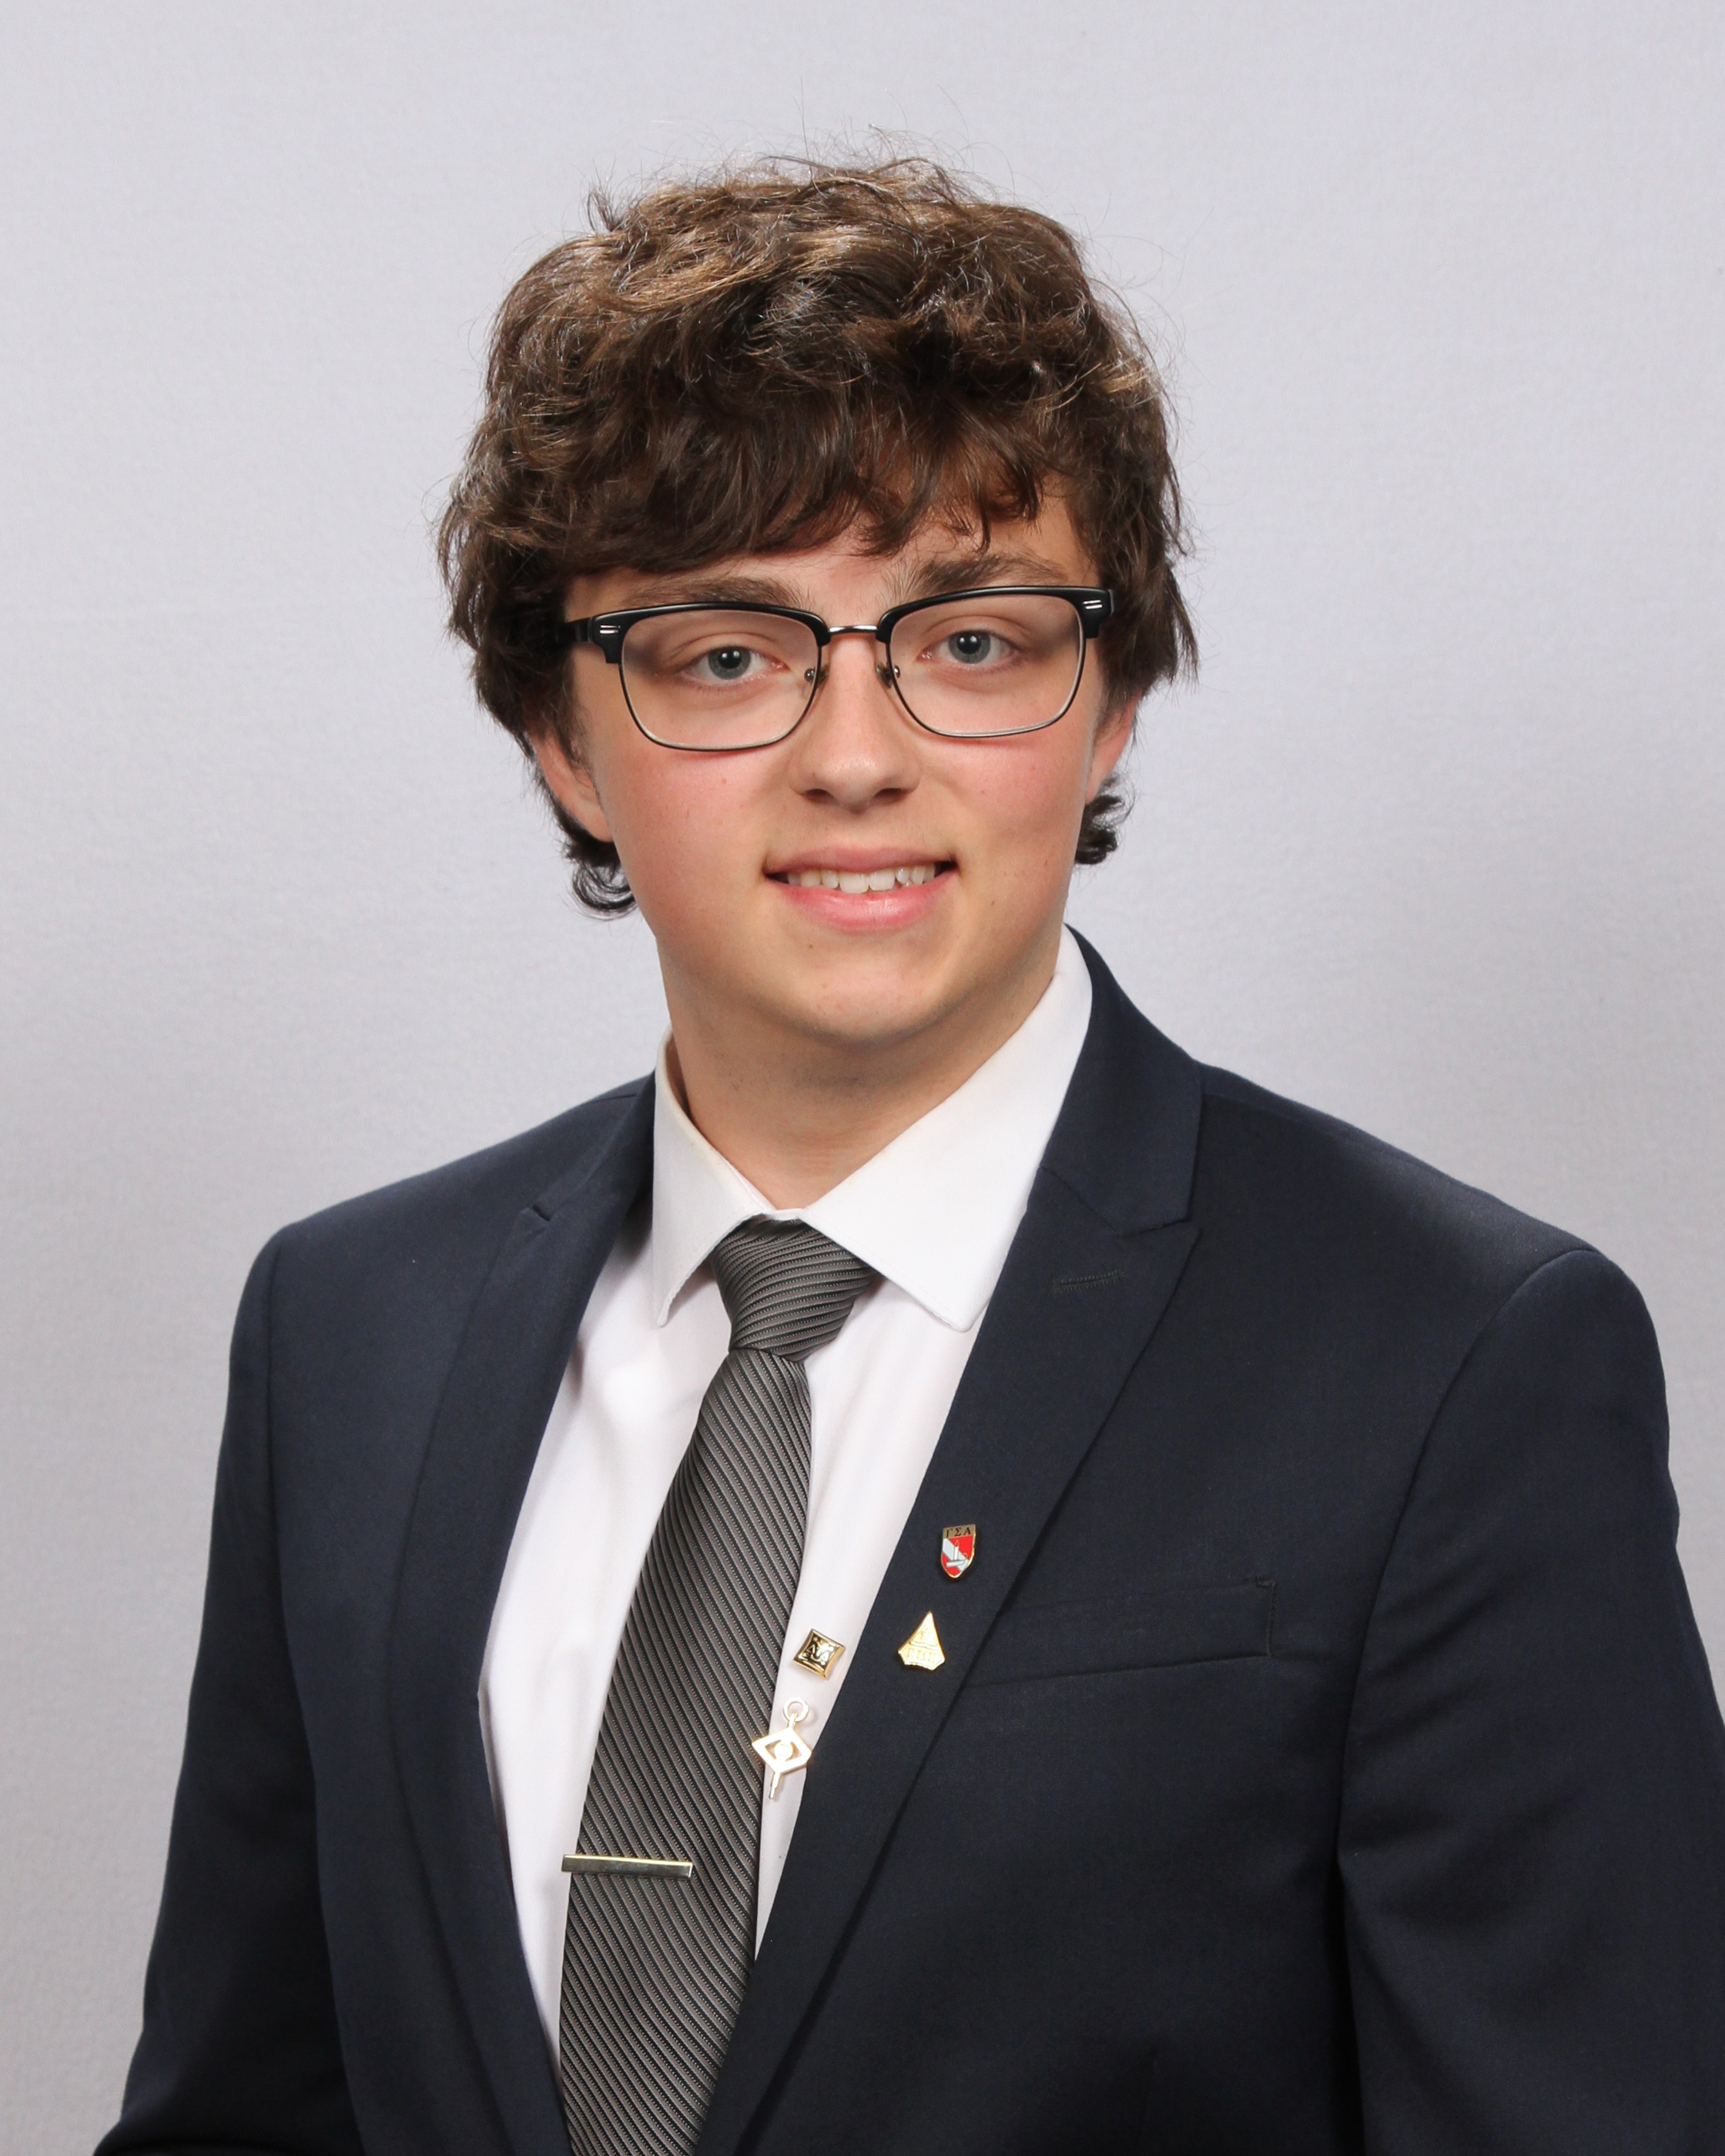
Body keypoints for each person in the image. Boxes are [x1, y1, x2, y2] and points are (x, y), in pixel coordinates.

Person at [99, 159, 1725, 2156]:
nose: (855, 757)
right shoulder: (353, 1332)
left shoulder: (1452, 1362)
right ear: (560, 735)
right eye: (725, 653)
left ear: (1111, 703)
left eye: (968, 643)